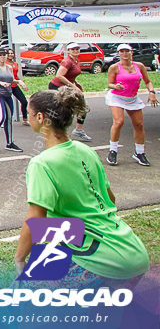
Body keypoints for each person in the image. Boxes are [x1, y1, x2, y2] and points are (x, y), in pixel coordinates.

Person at [15, 88, 149, 285]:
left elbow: (37, 217)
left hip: (105, 262)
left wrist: (20, 258)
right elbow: (110, 199)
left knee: (36, 302)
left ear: (41, 117)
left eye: (29, 111)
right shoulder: (85, 150)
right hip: (131, 249)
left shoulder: (42, 163)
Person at [104, 44, 157, 166]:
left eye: (126, 51)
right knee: (119, 122)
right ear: (118, 54)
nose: (124, 54)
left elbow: (148, 82)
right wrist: (116, 86)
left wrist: (152, 92)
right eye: (121, 51)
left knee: (139, 124)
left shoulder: (140, 66)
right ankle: (113, 151)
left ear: (131, 52)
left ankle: (139, 153)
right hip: (116, 98)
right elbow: (110, 84)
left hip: (132, 99)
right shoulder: (114, 67)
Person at [50, 43, 90, 142]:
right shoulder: (67, 61)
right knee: (62, 110)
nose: (75, 51)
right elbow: (59, 75)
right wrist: (73, 86)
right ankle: (56, 133)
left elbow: (70, 74)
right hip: (57, 87)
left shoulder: (76, 60)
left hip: (67, 87)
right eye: (73, 49)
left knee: (82, 107)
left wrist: (76, 83)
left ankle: (78, 130)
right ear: (68, 51)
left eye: (77, 49)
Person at [0, 48, 22, 154]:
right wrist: (0, 83)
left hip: (7, 94)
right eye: (0, 55)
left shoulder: (9, 67)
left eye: (4, 55)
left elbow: (11, 80)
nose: (2, 57)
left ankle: (10, 143)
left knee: (9, 118)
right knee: (1, 117)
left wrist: (20, 82)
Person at [6, 49, 30, 125]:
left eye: (12, 53)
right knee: (8, 103)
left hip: (15, 85)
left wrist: (22, 83)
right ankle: (5, 120)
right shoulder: (4, 64)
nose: (10, 55)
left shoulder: (15, 64)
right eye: (9, 53)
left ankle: (25, 119)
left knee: (24, 101)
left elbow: (16, 76)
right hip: (7, 85)